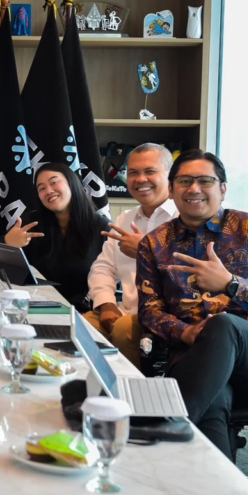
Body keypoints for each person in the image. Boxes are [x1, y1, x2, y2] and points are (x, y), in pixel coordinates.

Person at [137, 150, 248, 459]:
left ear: (222, 189)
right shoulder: (153, 243)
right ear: (171, 190)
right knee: (213, 398)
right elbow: (149, 311)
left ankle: (167, 426)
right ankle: (217, 488)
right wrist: (185, 333)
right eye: (184, 181)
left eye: (205, 181)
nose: (194, 188)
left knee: (223, 325)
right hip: (195, 360)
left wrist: (230, 285)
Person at [85, 144, 178, 366]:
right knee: (83, 325)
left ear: (170, 176)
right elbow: (103, 267)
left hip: (166, 316)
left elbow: (187, 276)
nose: (140, 179)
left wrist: (145, 252)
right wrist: (106, 303)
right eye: (133, 172)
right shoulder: (125, 219)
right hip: (125, 310)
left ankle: (130, 386)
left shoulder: (183, 219)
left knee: (123, 329)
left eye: (150, 171)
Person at [4, 163, 108, 308]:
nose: (48, 191)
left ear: (72, 183)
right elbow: (3, 272)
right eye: (41, 188)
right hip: (34, 306)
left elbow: (112, 280)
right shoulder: (31, 222)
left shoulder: (102, 227)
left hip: (82, 311)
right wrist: (7, 243)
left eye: (54, 182)